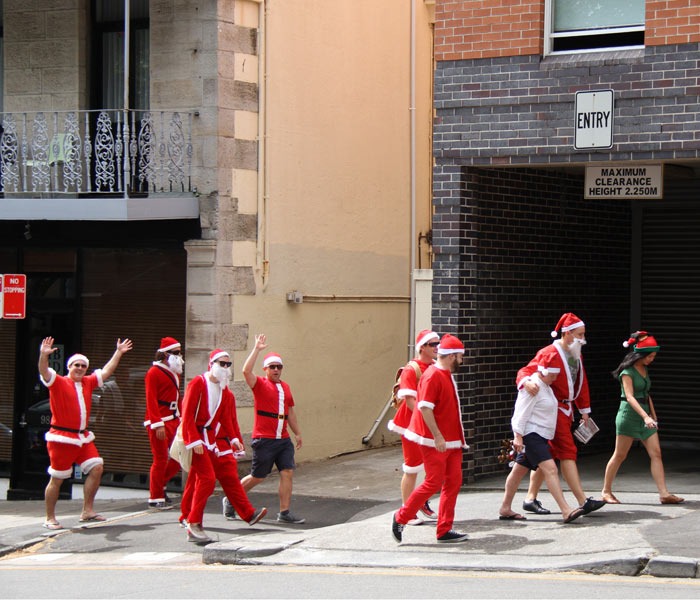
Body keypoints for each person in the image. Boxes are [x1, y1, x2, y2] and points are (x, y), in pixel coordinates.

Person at [515, 313, 606, 516]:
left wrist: (584, 411)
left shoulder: (576, 353)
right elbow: (525, 370)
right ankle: (582, 501)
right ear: (567, 333)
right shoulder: (549, 352)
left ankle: (529, 498)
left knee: (543, 455)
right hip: (551, 412)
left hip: (565, 410)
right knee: (567, 451)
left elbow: (581, 383)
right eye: (580, 334)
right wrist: (526, 383)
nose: (583, 339)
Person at [38, 336, 133, 530]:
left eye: (83, 365)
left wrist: (119, 352)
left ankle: (87, 511)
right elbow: (44, 371)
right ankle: (49, 517)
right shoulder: (58, 382)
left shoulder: (89, 382)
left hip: (82, 437)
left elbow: (106, 371)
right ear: (69, 367)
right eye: (76, 365)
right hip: (62, 438)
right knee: (57, 478)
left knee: (97, 467)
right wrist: (43, 355)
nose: (80, 368)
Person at [180, 349, 267, 543]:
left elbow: (227, 419)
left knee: (225, 475)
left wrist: (234, 439)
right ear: (212, 364)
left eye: (228, 364)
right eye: (222, 363)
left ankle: (247, 514)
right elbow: (187, 415)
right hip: (198, 440)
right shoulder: (198, 383)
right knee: (207, 479)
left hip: (213, 442)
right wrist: (193, 441)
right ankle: (193, 523)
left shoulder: (224, 391)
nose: (225, 367)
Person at [392, 334, 470, 544]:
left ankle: (444, 529)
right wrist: (437, 436)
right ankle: (401, 517)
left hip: (450, 441)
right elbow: (424, 407)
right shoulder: (433, 375)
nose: (461, 361)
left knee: (453, 481)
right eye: (460, 357)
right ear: (452, 356)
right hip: (435, 441)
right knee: (433, 481)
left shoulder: (442, 373)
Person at [499, 352, 585, 523]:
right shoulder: (534, 386)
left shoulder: (545, 386)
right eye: (553, 374)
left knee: (517, 472)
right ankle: (565, 510)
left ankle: (505, 507)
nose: (555, 378)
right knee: (551, 470)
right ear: (544, 371)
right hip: (532, 435)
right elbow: (520, 413)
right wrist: (518, 436)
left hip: (539, 435)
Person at [601, 332, 684, 505]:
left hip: (645, 413)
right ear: (641, 354)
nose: (652, 359)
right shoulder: (627, 371)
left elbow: (646, 394)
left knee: (656, 454)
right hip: (628, 415)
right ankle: (606, 491)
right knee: (620, 455)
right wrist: (646, 417)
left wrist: (653, 416)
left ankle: (664, 493)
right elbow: (630, 397)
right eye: (651, 356)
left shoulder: (644, 369)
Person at [239, 334, 305, 524]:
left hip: (283, 439)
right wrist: (257, 350)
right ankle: (233, 498)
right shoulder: (259, 384)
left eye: (279, 367)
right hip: (264, 438)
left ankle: (284, 512)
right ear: (266, 369)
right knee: (258, 476)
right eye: (272, 367)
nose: (276, 370)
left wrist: (297, 433)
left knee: (287, 472)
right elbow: (245, 371)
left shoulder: (286, 387)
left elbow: (290, 412)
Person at [386, 329, 440, 524]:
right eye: (433, 344)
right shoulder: (412, 369)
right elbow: (410, 401)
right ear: (422, 347)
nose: (437, 347)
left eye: (438, 343)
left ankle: (421, 501)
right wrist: (428, 421)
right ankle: (407, 508)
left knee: (429, 466)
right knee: (412, 467)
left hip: (428, 423)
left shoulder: (434, 367)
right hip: (411, 425)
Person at [144, 337, 184, 509]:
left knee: (178, 457)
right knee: (160, 459)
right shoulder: (153, 372)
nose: (180, 356)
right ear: (166, 354)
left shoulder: (174, 372)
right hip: (160, 420)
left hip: (174, 419)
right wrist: (157, 423)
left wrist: (182, 418)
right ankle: (155, 496)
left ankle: (161, 484)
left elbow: (178, 397)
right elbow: (150, 399)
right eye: (176, 353)